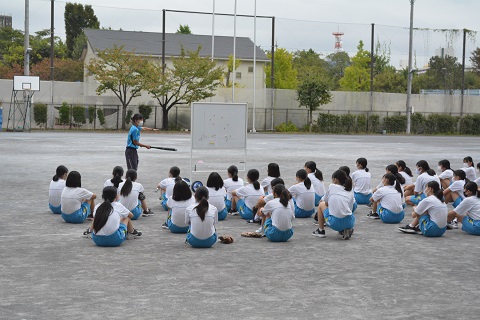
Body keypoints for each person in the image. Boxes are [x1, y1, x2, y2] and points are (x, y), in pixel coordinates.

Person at [312, 169, 355, 240]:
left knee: (321, 205)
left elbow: (325, 202)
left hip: (335, 223)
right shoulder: (350, 189)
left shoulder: (332, 186)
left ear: (335, 180)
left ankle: (320, 230)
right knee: (346, 210)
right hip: (350, 221)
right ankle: (345, 230)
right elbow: (351, 207)